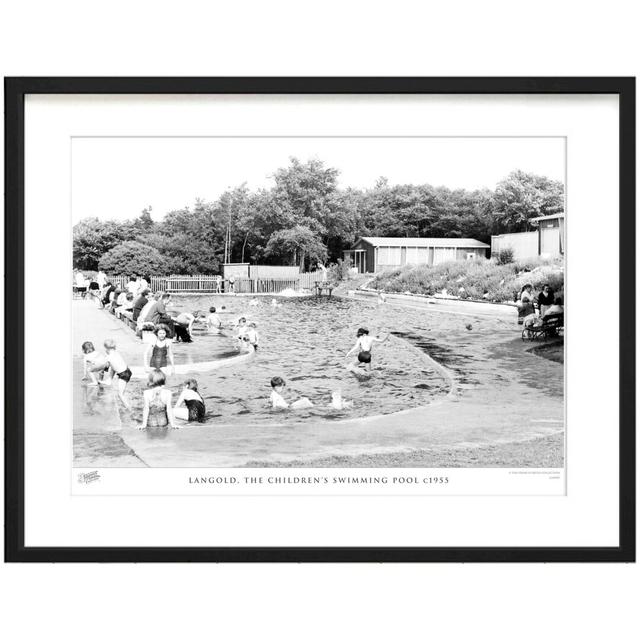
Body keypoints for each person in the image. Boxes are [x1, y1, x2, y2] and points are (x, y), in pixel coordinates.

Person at [103, 339, 132, 408]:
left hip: (123, 375)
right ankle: (109, 380)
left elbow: (105, 368)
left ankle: (129, 409)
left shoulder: (108, 357)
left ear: (106, 348)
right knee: (113, 367)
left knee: (120, 394)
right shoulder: (116, 353)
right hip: (127, 371)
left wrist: (102, 370)